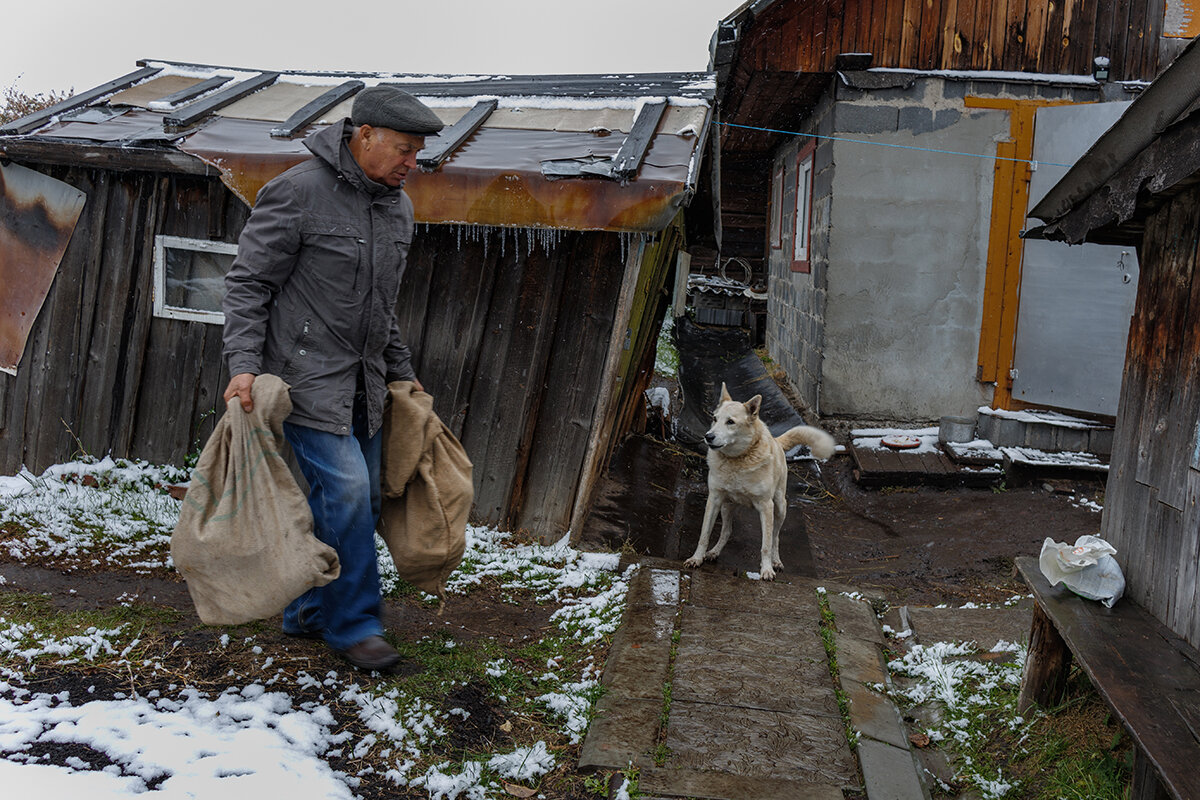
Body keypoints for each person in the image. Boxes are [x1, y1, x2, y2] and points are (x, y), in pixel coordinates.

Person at [221, 86, 444, 672]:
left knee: (359, 502)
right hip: (305, 379)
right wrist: (243, 365)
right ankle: (356, 629)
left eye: (417, 153)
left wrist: (403, 375)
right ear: (363, 135)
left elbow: (383, 306)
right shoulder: (297, 192)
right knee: (344, 494)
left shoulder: (398, 208)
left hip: (365, 384)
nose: (411, 163)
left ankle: (307, 613)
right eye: (403, 149)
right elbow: (249, 284)